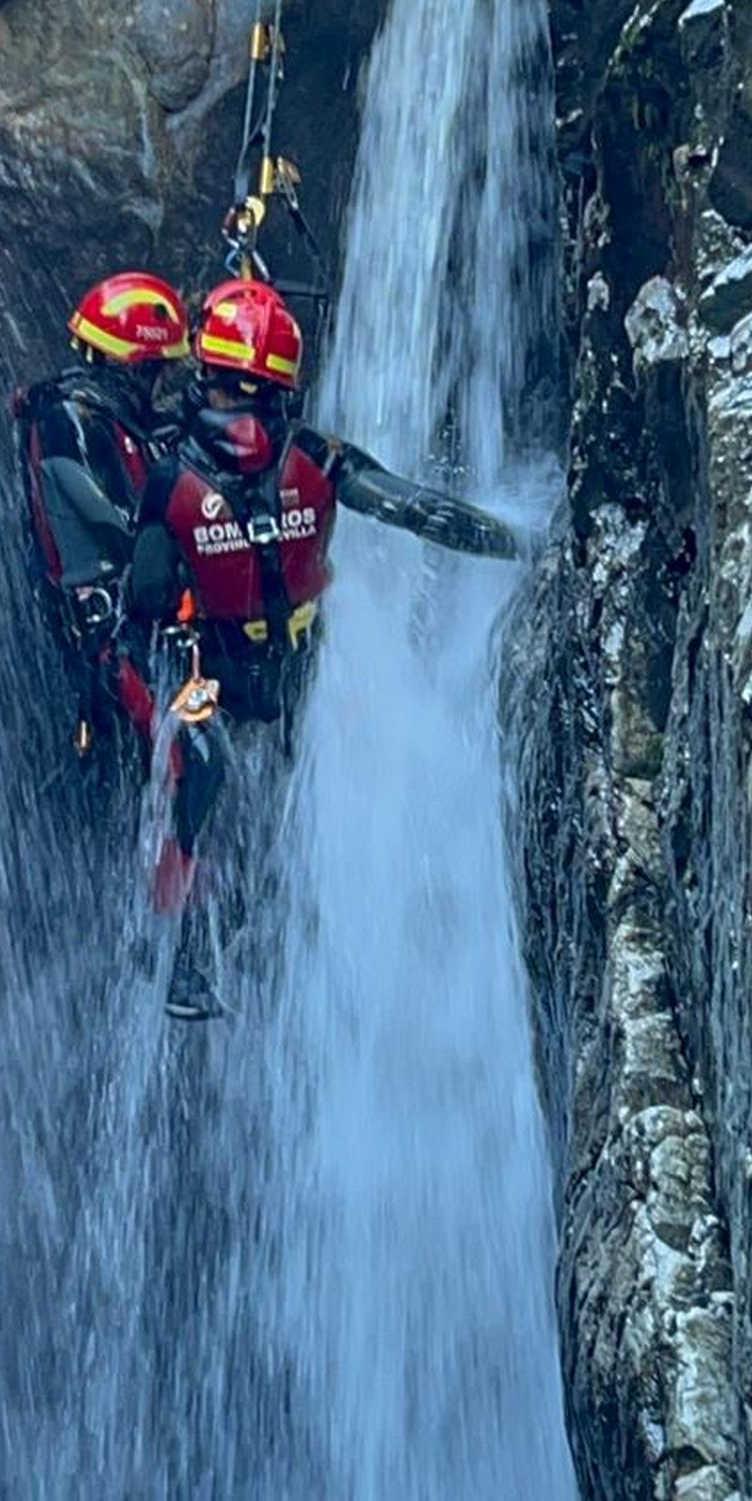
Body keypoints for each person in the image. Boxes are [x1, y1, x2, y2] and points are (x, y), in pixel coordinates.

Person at [125, 273, 519, 1018]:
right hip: (299, 667)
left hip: (219, 673)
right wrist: (514, 541)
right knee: (265, 802)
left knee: (209, 801)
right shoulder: (318, 458)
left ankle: (187, 953)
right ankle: (256, 934)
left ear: (210, 376)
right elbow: (415, 509)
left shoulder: (172, 481)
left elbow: (144, 594)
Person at [14, 270, 191, 759]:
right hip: (108, 634)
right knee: (185, 762)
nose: (159, 384)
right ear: (135, 365)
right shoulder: (65, 418)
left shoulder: (112, 417)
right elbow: (116, 522)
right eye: (156, 371)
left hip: (139, 625)